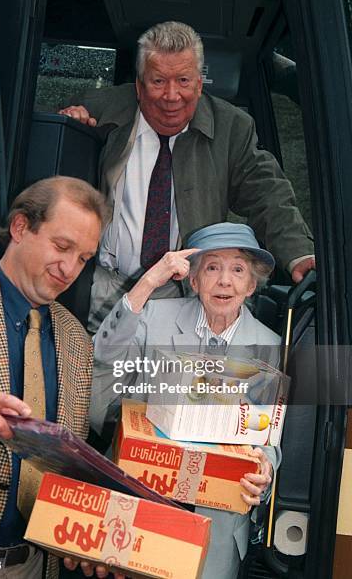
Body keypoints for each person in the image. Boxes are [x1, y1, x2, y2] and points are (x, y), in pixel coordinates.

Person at [59, 20, 315, 333]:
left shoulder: (232, 128)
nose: (171, 96)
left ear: (199, 84)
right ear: (139, 86)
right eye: (158, 81)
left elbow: (268, 194)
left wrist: (299, 253)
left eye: (183, 80)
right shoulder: (99, 110)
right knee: (96, 376)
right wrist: (69, 124)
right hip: (104, 289)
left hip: (182, 295)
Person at [0, 176, 110, 579]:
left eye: (84, 258)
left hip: (32, 565)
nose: (70, 269)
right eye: (62, 246)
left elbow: (67, 461)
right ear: (20, 228)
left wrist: (84, 537)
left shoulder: (77, 341)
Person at [92, 223, 282, 579]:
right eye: (212, 267)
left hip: (217, 519)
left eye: (237, 269)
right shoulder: (153, 316)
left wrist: (265, 469)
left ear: (251, 285)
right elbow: (104, 353)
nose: (224, 281)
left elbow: (268, 438)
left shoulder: (270, 345)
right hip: (140, 498)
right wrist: (148, 283)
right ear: (193, 281)